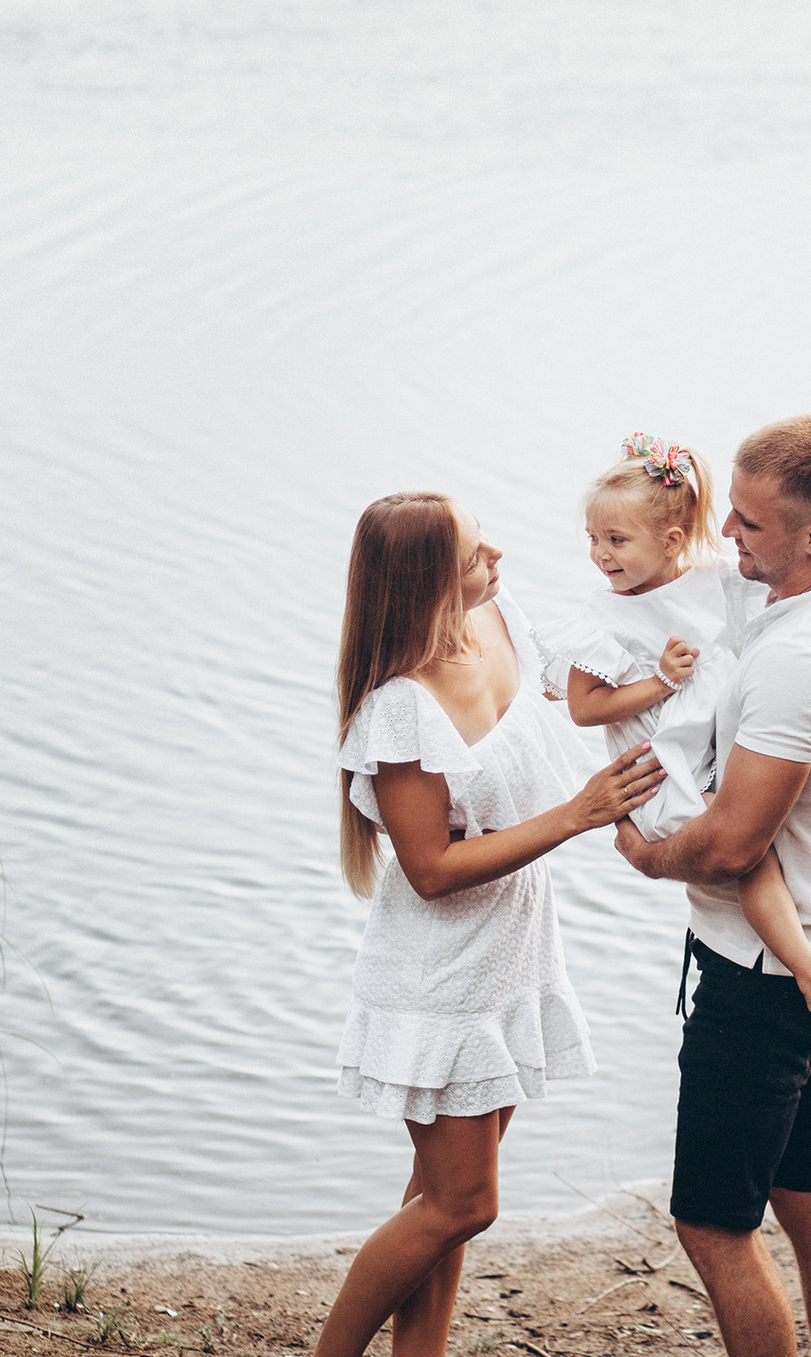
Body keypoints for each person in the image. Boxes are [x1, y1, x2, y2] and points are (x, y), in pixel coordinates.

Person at [315, 492, 664, 1357]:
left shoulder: (498, 618)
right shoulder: (400, 710)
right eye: (476, 553)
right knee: (464, 1203)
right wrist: (579, 814)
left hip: (508, 950)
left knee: (439, 1199)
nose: (498, 557)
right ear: (431, 580)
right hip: (438, 974)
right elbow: (428, 870)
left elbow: (611, 653)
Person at [613, 416, 811, 1357]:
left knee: (711, 1221)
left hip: (761, 975)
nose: (727, 537)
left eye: (748, 524)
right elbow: (717, 589)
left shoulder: (798, 661)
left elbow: (734, 844)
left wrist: (649, 855)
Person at [539, 432, 811, 1022]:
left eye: (616, 540)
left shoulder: (714, 579)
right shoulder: (602, 619)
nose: (600, 555)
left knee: (749, 838)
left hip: (711, 743)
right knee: (749, 852)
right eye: (592, 539)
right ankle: (810, 973)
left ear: (670, 542)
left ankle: (807, 966)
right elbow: (584, 708)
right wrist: (659, 685)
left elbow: (792, 559)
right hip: (660, 771)